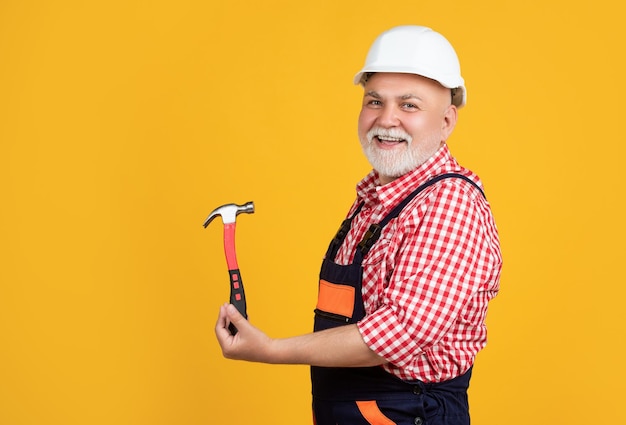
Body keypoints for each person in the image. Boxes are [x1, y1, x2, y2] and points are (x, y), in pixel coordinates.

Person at [215, 25, 502, 425]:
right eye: (374, 101)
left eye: (409, 105)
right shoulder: (373, 203)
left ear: (447, 122)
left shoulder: (449, 204)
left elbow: (396, 334)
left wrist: (270, 349)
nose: (387, 120)